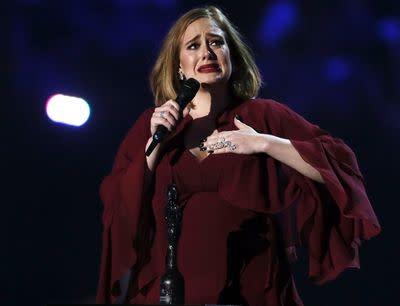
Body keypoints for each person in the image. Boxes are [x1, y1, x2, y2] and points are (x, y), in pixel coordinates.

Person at [96, 5, 381, 305]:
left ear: (231, 55)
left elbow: (337, 163)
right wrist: (153, 150)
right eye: (193, 45)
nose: (207, 52)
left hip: (252, 292)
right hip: (168, 294)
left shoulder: (262, 116)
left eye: (216, 42)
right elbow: (119, 212)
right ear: (179, 66)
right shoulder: (153, 125)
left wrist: (264, 143)